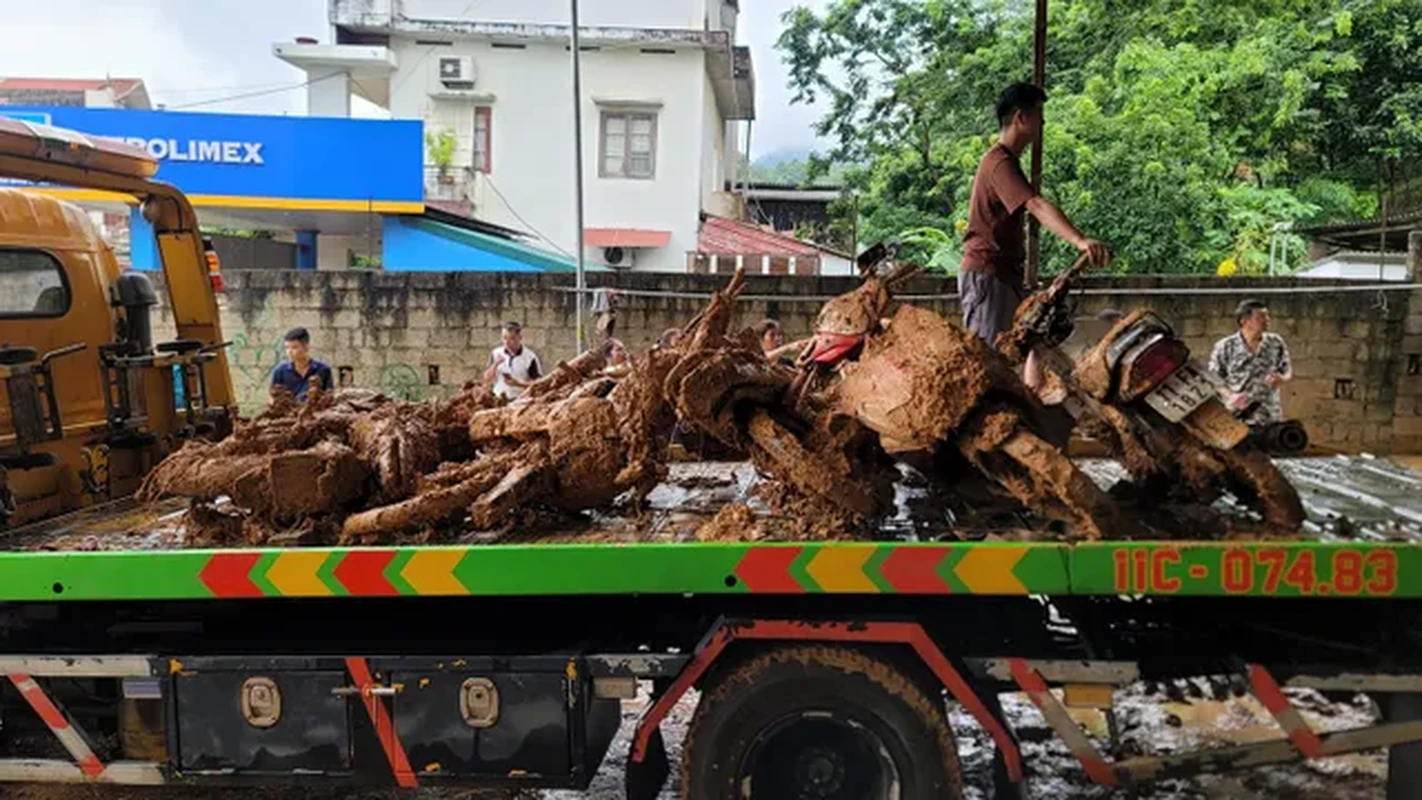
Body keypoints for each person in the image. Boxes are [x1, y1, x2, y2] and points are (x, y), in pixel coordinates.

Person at [960, 83, 1112, 383]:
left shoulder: (1007, 161)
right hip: (987, 275)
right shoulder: (999, 163)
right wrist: (1079, 240)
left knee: (1027, 350)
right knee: (987, 366)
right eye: (1039, 115)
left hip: (1004, 276)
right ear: (1021, 118)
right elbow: (1036, 205)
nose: (1043, 123)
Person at [1208, 300, 1293, 427]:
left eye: (1267, 316)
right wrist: (1231, 396)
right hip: (1237, 416)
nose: (1267, 320)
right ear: (1244, 321)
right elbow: (1213, 379)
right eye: (1261, 317)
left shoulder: (1276, 342)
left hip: (1269, 415)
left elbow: (1287, 370)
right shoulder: (1225, 346)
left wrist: (1281, 379)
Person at [269, 327, 333, 404]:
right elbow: (272, 399)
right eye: (287, 348)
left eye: (294, 347)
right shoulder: (280, 371)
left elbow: (329, 397)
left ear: (306, 347)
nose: (289, 352)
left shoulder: (323, 370)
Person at [483, 320, 542, 401]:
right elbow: (486, 378)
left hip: (521, 401)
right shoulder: (496, 353)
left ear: (520, 338)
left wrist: (518, 384)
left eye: (512, 338)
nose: (507, 342)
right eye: (504, 338)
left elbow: (538, 383)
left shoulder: (529, 357)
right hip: (498, 400)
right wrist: (496, 364)